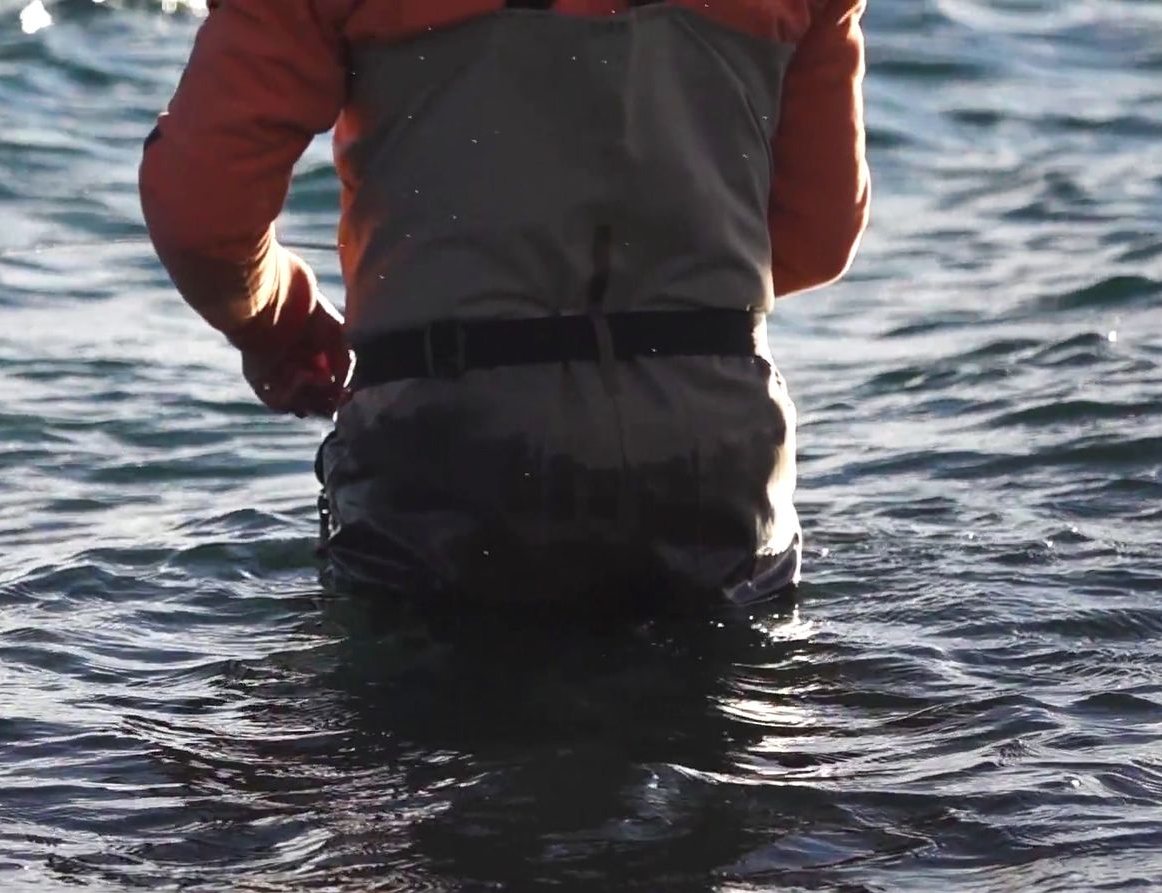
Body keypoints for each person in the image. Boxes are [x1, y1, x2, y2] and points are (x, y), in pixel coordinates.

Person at [140, 0, 869, 607]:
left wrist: (280, 323)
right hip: (712, 450)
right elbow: (814, 238)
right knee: (724, 751)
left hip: (450, 445)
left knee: (414, 753)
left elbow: (202, 213)